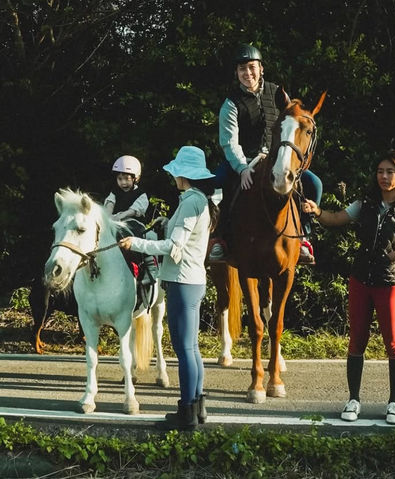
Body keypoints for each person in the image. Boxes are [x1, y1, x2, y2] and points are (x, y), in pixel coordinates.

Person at [302, 150, 395, 425]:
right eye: (380, 171)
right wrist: (317, 211)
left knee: (393, 342)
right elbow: (335, 219)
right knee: (357, 340)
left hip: (391, 281)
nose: (384, 176)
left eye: (390, 172)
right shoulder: (366, 203)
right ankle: (353, 399)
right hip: (360, 279)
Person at [119, 145, 213, 430]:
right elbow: (181, 233)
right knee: (192, 347)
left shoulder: (189, 201)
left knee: (184, 349)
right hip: (195, 280)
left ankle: (186, 413)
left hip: (182, 281)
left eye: (177, 173)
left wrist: (135, 243)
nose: (174, 178)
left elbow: (173, 246)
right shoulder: (200, 199)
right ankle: (197, 407)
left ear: (184, 175)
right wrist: (165, 222)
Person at [209, 43, 322, 264]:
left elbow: (291, 126)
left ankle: (303, 236)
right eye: (242, 69)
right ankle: (219, 239)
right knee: (214, 184)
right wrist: (242, 169)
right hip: (243, 160)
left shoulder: (278, 93)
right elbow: (229, 142)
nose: (247, 73)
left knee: (314, 184)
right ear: (236, 73)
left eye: (252, 67)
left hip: (276, 160)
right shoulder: (230, 104)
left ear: (261, 68)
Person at [104, 155, 158, 286]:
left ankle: (151, 269)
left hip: (134, 223)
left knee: (147, 236)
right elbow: (109, 204)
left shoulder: (141, 194)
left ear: (135, 178)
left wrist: (120, 216)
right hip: (115, 223)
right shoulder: (115, 192)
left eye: (127, 179)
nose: (123, 183)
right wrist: (107, 216)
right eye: (120, 179)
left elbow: (134, 210)